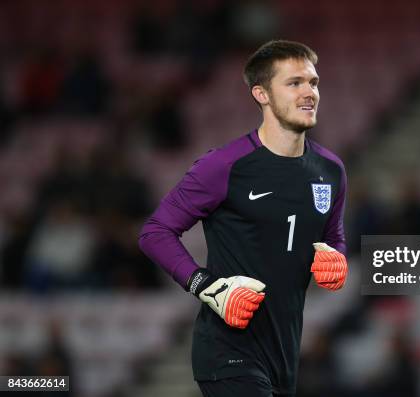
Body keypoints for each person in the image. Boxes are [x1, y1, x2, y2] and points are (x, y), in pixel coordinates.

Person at [139, 40, 348, 397]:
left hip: (284, 355)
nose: (309, 92)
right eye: (294, 83)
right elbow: (155, 232)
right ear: (261, 94)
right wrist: (207, 287)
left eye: (312, 82)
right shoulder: (223, 166)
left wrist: (336, 260)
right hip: (227, 352)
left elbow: (333, 238)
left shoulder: (330, 170)